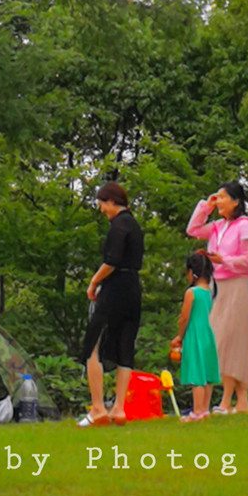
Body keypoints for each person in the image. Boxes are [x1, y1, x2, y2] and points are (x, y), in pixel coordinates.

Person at [186, 181, 248, 414]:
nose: (218, 200)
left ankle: (231, 401)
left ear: (235, 201)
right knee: (223, 341)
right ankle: (238, 402)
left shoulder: (245, 227)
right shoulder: (218, 226)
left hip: (236, 286)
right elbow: (193, 230)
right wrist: (205, 206)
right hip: (217, 286)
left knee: (231, 341)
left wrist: (223, 260)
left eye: (221, 197)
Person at [78, 181, 144, 427]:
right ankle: (119, 408)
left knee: (92, 344)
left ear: (112, 202)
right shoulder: (135, 225)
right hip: (133, 288)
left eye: (102, 204)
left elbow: (112, 261)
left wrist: (94, 281)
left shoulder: (118, 226)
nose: (101, 210)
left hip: (115, 288)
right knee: (125, 346)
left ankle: (97, 408)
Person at [171, 251, 220, 422]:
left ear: (192, 272)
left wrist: (179, 336)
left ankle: (197, 411)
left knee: (196, 374)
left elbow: (184, 317)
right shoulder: (210, 292)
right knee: (207, 373)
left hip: (194, 334)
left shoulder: (192, 293)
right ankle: (204, 409)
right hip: (208, 334)